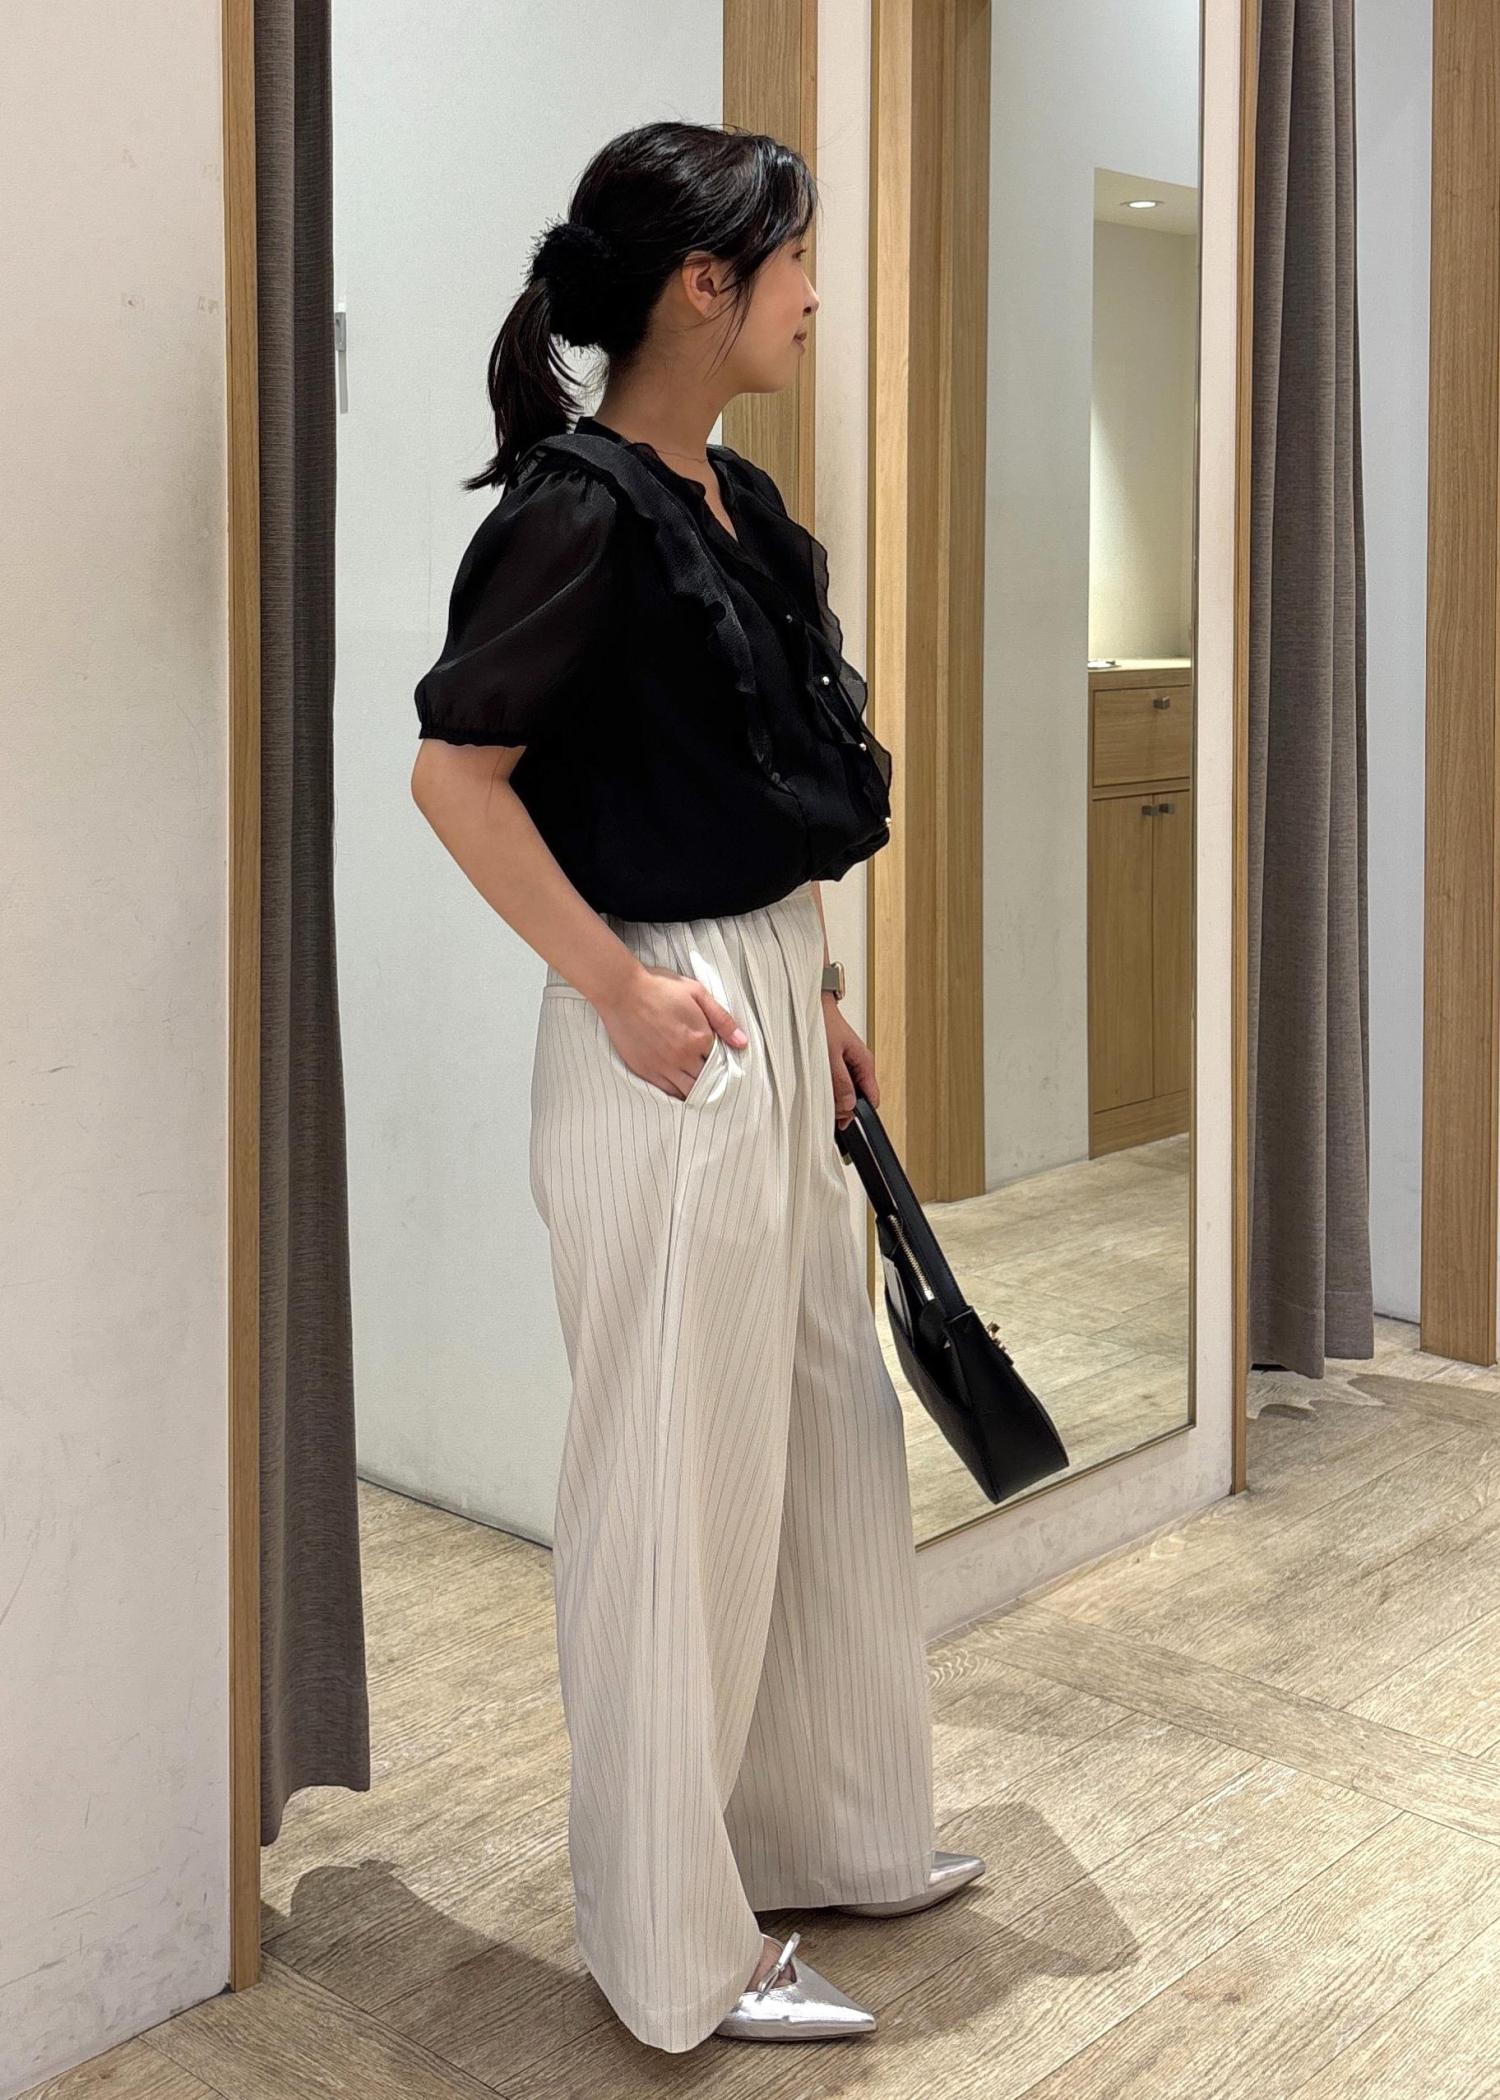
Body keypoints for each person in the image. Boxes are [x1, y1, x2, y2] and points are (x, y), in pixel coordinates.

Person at [410, 118, 984, 2056]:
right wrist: (619, 990)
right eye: (794, 261)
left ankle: (829, 1829)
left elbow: (765, 790)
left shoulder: (735, 501)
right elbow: (455, 778)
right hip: (660, 1021)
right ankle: (673, 1946)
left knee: (817, 1433)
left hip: (760, 998)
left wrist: (814, 986)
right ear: (703, 287)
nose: (817, 295)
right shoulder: (576, 510)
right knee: (675, 1482)